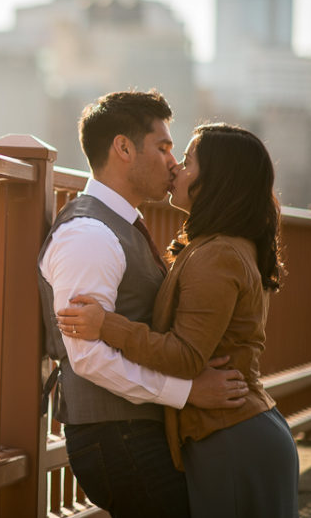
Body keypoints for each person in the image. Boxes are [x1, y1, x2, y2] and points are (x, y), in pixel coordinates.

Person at [57, 123, 299, 517]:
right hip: (228, 432)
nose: (175, 169)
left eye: (186, 161)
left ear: (217, 180)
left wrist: (106, 324)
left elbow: (186, 355)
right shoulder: (215, 245)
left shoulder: (217, 254)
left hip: (232, 437)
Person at [38, 91, 249, 518]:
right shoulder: (90, 235)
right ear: (123, 148)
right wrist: (187, 392)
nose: (173, 162)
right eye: (164, 146)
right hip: (117, 438)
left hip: (132, 433)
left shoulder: (120, 223)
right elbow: (87, 358)